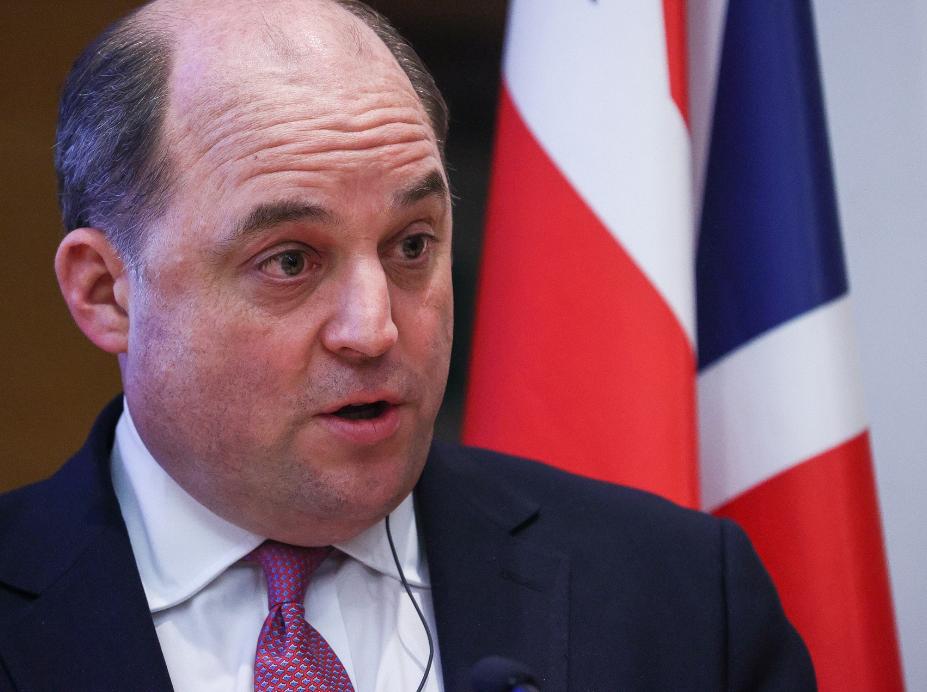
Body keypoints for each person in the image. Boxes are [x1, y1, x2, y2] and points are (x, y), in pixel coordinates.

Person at [0, 1, 816, 690]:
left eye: (412, 245)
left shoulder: (678, 598)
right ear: (106, 293)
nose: (374, 329)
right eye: (290, 261)